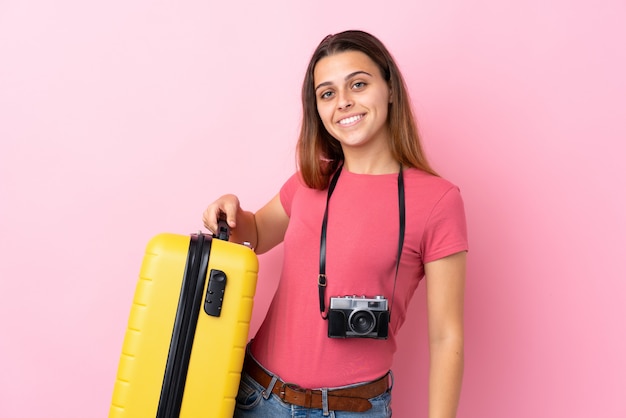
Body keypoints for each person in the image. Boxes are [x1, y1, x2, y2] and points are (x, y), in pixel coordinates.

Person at [203, 30, 468, 418]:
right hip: (256, 396)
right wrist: (231, 211)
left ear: (390, 89)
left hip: (353, 408)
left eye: (358, 84)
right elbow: (256, 234)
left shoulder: (438, 201)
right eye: (327, 93)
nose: (344, 102)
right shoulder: (311, 180)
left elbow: (447, 337)